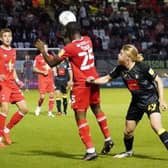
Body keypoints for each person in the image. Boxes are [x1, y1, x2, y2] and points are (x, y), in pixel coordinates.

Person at [35, 22, 114, 160]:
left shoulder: (69, 48)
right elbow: (74, 44)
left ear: (69, 33)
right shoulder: (88, 40)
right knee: (97, 109)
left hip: (82, 84)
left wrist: (42, 50)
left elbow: (52, 62)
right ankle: (108, 139)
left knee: (80, 115)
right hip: (94, 79)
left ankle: (90, 150)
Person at [87, 44, 168, 158]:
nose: (118, 55)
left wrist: (162, 99)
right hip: (136, 103)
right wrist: (93, 81)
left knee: (156, 126)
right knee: (128, 131)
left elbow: (158, 81)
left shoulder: (142, 67)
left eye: (120, 53)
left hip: (150, 100)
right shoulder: (120, 69)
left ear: (127, 57)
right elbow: (106, 78)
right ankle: (128, 152)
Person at [0, 28, 29, 147]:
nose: (7, 38)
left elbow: (12, 69)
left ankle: (7, 130)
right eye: (5, 36)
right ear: (1, 38)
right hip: (3, 84)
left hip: (12, 83)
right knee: (5, 109)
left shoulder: (13, 51)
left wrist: (17, 81)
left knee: (24, 109)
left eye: (9, 36)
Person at [33, 44, 55, 117]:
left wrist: (54, 70)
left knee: (52, 95)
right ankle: (38, 108)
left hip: (50, 79)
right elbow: (34, 69)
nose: (46, 49)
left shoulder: (51, 57)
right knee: (42, 97)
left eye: (46, 47)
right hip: (42, 79)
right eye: (44, 48)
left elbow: (53, 66)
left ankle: (50, 112)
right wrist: (42, 72)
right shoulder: (38, 57)